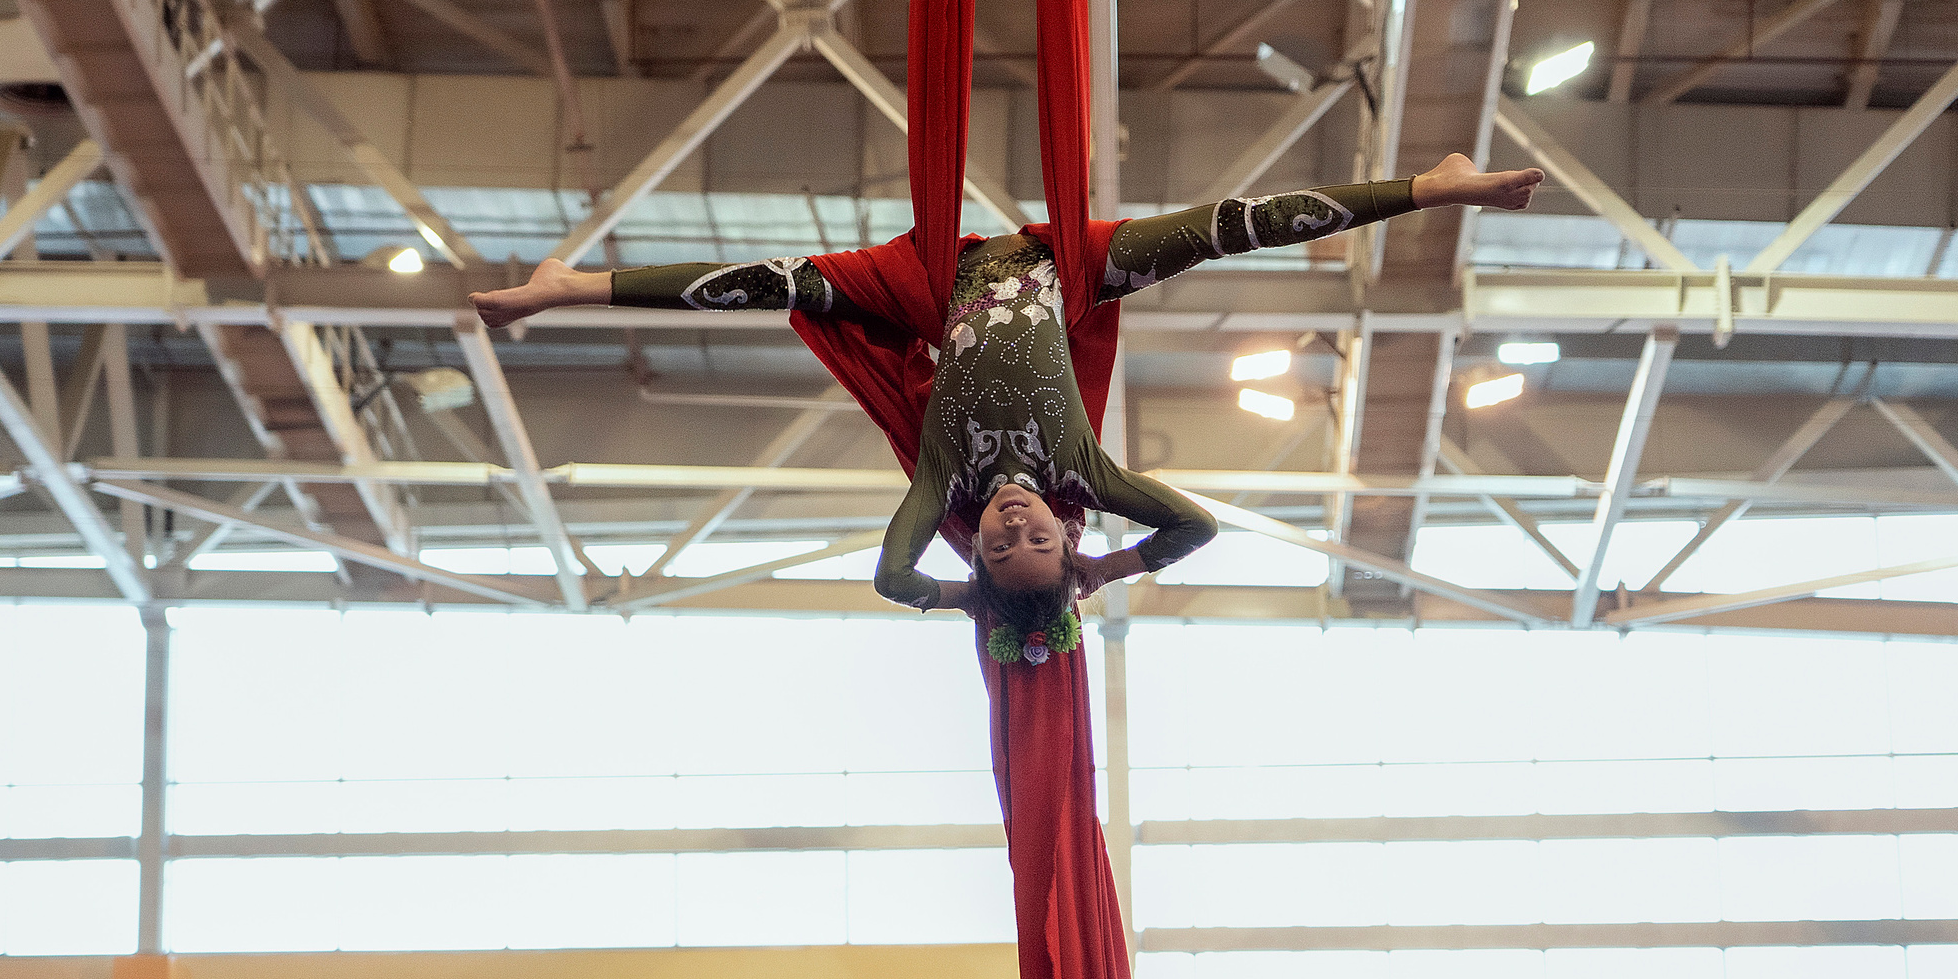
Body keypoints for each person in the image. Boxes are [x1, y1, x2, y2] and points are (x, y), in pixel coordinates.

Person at [472, 150, 1540, 651]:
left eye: (994, 547)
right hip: (1065, 273)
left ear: (973, 549)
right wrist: (1108, 567)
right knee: (1234, 225)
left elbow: (893, 573)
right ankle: (1431, 186)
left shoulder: (947, 482)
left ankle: (569, 288)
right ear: (1064, 540)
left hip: (937, 287)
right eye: (1035, 541)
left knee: (774, 285)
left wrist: (965, 603)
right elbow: (1198, 525)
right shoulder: (1089, 482)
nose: (1013, 523)